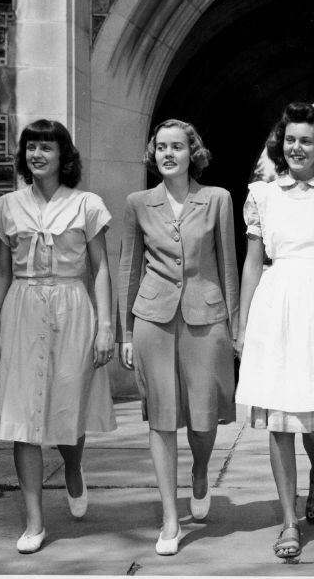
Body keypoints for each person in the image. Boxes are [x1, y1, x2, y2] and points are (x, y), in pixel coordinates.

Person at [0, 119, 116, 554]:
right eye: (31, 148)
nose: (38, 155)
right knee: (22, 414)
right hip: (22, 306)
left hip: (72, 305)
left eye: (46, 147)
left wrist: (106, 327)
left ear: (64, 156)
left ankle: (73, 468)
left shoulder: (87, 205)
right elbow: (2, 271)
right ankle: (35, 520)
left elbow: (100, 270)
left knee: (67, 404)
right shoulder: (7, 206)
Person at [235, 102, 314, 560]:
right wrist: (243, 321)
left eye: (306, 140)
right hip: (276, 301)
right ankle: (289, 521)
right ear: (280, 145)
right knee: (278, 418)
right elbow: (252, 262)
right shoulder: (262, 195)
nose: (297, 148)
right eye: (290, 140)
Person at [117, 119, 239, 556]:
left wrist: (234, 327)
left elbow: (228, 265)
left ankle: (201, 471)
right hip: (152, 318)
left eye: (177, 147)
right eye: (161, 147)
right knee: (162, 417)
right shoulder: (137, 203)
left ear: (193, 153)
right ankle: (170, 517)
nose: (168, 154)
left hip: (206, 318)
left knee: (205, 416)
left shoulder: (217, 200)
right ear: (154, 155)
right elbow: (128, 267)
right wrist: (125, 334)